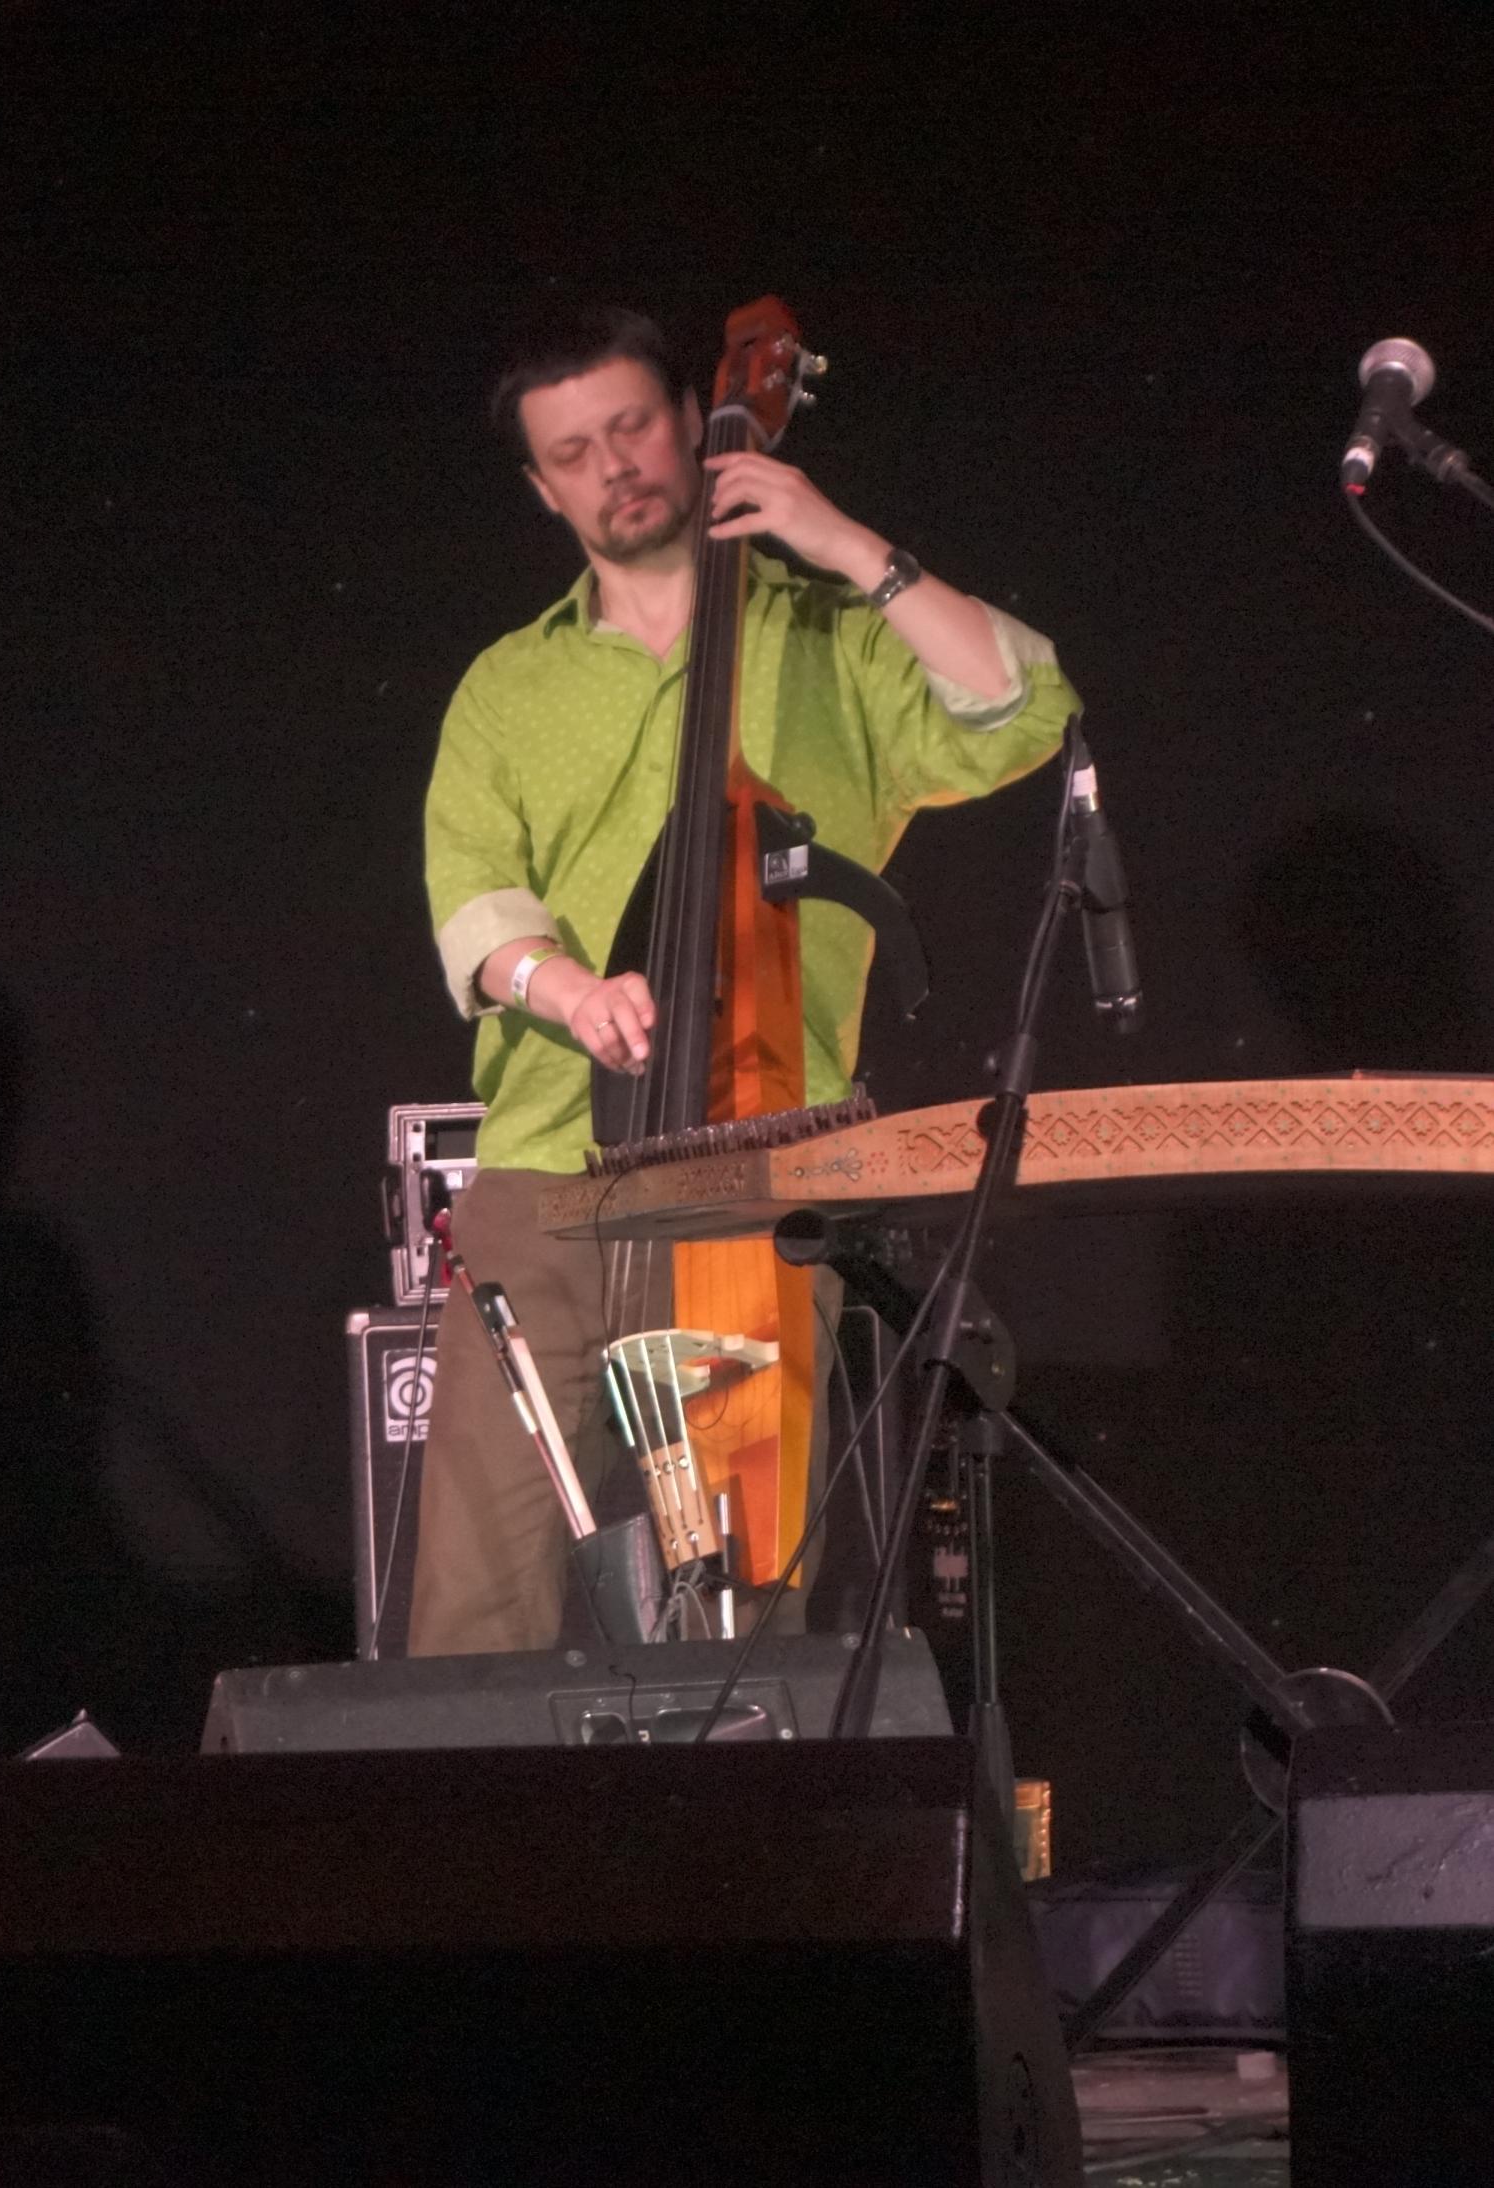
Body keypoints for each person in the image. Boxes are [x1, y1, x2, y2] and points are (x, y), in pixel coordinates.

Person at [413, 307, 1079, 1657]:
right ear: (540, 489)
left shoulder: (832, 638)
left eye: (631, 425)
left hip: (757, 1163)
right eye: (572, 453)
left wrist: (843, 544)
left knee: (744, 1602)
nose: (612, 465)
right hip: (544, 1176)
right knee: (472, 1608)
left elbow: (1021, 708)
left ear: (689, 419)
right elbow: (472, 897)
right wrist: (566, 990)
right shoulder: (506, 684)